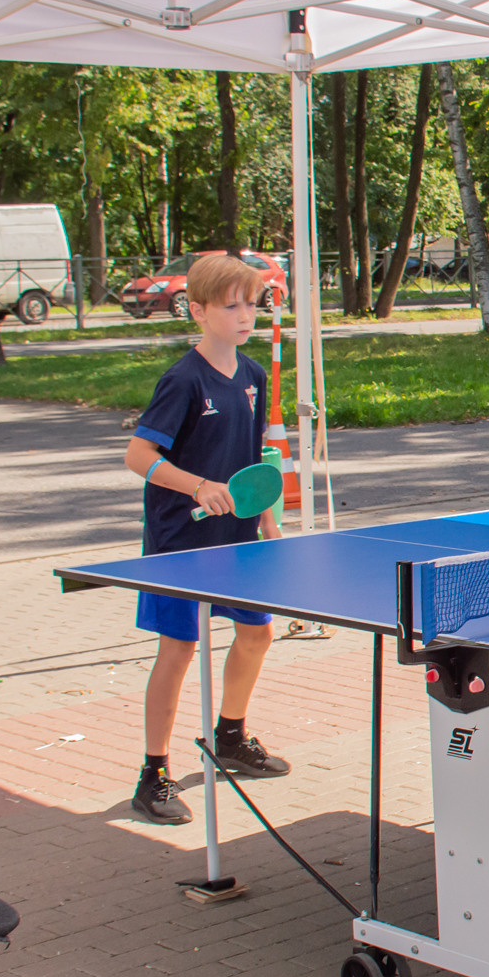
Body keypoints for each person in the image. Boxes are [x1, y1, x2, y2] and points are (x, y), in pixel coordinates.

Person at [121, 251, 293, 825]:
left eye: (252, 303)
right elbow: (138, 455)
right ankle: (154, 773)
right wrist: (196, 486)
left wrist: (266, 518)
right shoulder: (182, 380)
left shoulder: (253, 375)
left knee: (257, 633)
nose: (245, 315)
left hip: (237, 537)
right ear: (197, 310)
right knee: (179, 651)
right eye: (231, 305)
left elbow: (252, 458)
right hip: (181, 543)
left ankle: (230, 736)